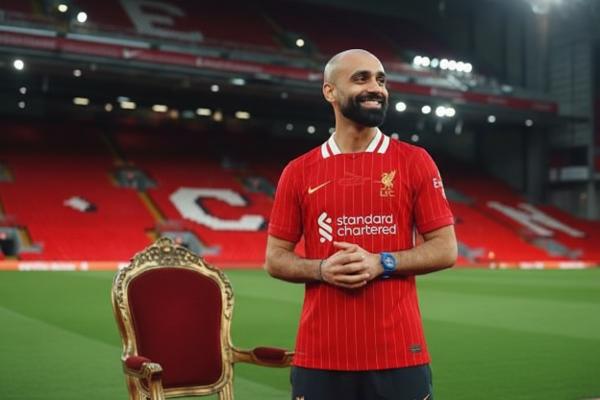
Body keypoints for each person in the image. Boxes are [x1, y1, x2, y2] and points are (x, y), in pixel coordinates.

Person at [265, 49, 457, 400]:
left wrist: (382, 262)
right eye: (361, 78)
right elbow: (275, 259)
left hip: (398, 352)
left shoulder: (414, 161)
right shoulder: (298, 171)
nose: (376, 88)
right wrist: (321, 269)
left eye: (381, 80)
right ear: (330, 91)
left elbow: (446, 249)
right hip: (320, 355)